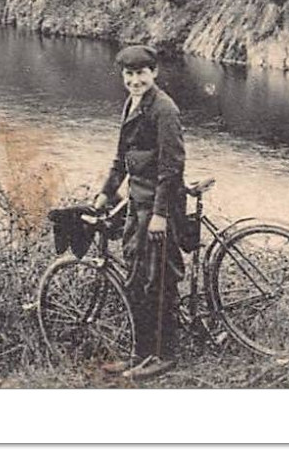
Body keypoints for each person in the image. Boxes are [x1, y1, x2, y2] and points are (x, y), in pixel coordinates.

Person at [91, 44, 186, 380]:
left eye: (141, 73)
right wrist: (106, 192)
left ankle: (166, 355)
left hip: (159, 207)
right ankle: (140, 354)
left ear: (154, 73)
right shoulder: (131, 105)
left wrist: (161, 214)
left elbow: (171, 169)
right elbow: (122, 159)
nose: (135, 80)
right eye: (129, 74)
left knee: (159, 281)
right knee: (136, 279)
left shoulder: (164, 110)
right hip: (138, 203)